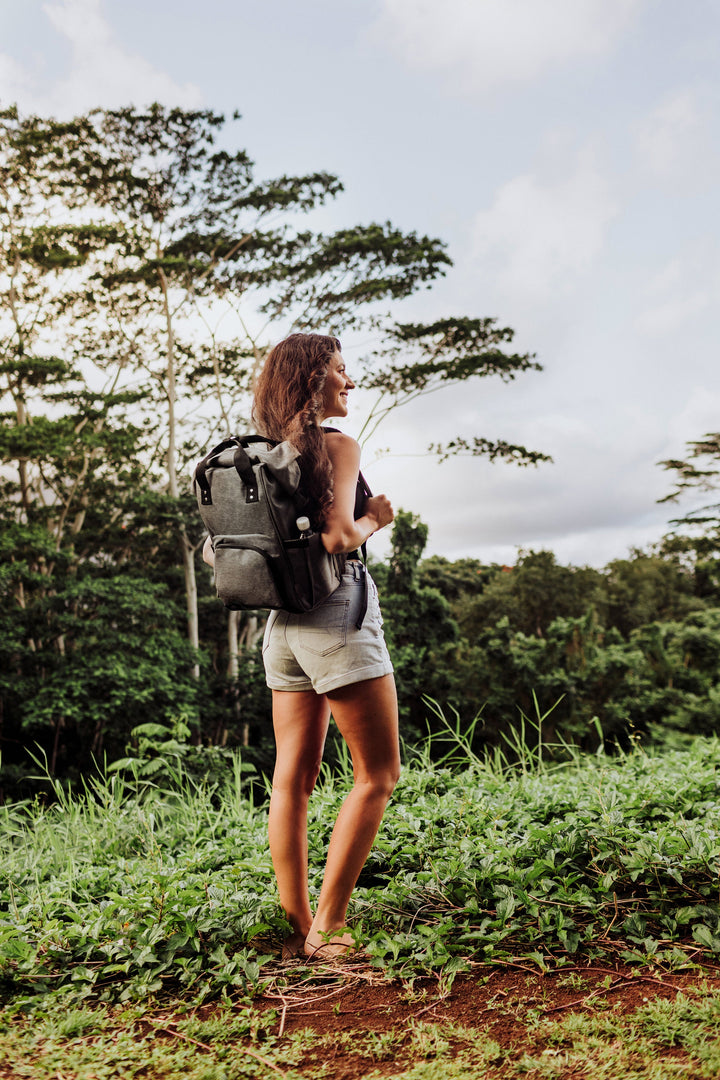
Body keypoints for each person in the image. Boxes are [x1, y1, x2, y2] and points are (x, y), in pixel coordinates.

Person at [205, 333, 400, 960]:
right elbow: (341, 537)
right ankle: (331, 931)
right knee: (377, 774)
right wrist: (378, 518)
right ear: (315, 378)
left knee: (292, 779)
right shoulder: (336, 446)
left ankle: (297, 922)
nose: (350, 382)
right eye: (341, 371)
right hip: (334, 613)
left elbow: (220, 548)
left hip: (281, 627)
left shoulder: (264, 457)